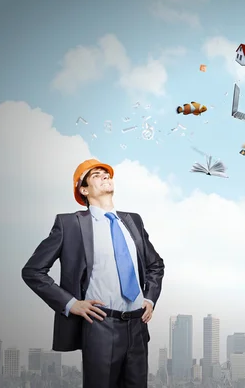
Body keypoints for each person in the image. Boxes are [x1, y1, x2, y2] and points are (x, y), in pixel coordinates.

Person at [22, 158, 165, 388]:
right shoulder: (70, 224)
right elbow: (33, 271)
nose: (105, 176)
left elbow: (155, 265)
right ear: (84, 189)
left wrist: (150, 298)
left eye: (106, 173)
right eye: (96, 174)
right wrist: (71, 303)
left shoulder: (133, 221)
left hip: (138, 327)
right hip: (101, 326)